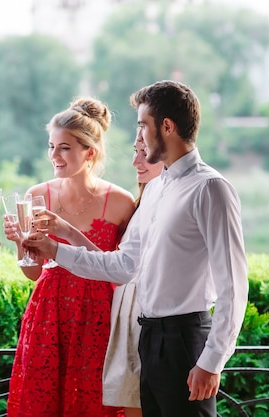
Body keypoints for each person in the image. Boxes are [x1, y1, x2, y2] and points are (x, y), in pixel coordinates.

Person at [23, 80, 249, 417]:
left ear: (167, 127)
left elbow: (233, 285)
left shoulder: (210, 188)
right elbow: (124, 265)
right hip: (148, 338)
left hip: (186, 340)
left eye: (143, 126)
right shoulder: (156, 189)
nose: (138, 139)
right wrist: (54, 250)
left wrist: (213, 360)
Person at [3, 97, 136, 416]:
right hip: (49, 312)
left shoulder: (121, 202)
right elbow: (33, 273)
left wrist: (64, 231)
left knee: (94, 403)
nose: (54, 156)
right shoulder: (36, 195)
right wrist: (21, 245)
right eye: (51, 146)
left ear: (89, 152)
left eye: (64, 148)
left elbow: (121, 272)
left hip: (99, 316)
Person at [101, 134, 163, 417]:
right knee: (131, 403)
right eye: (135, 151)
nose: (135, 161)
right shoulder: (144, 199)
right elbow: (120, 264)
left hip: (147, 313)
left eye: (144, 152)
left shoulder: (171, 200)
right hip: (126, 311)